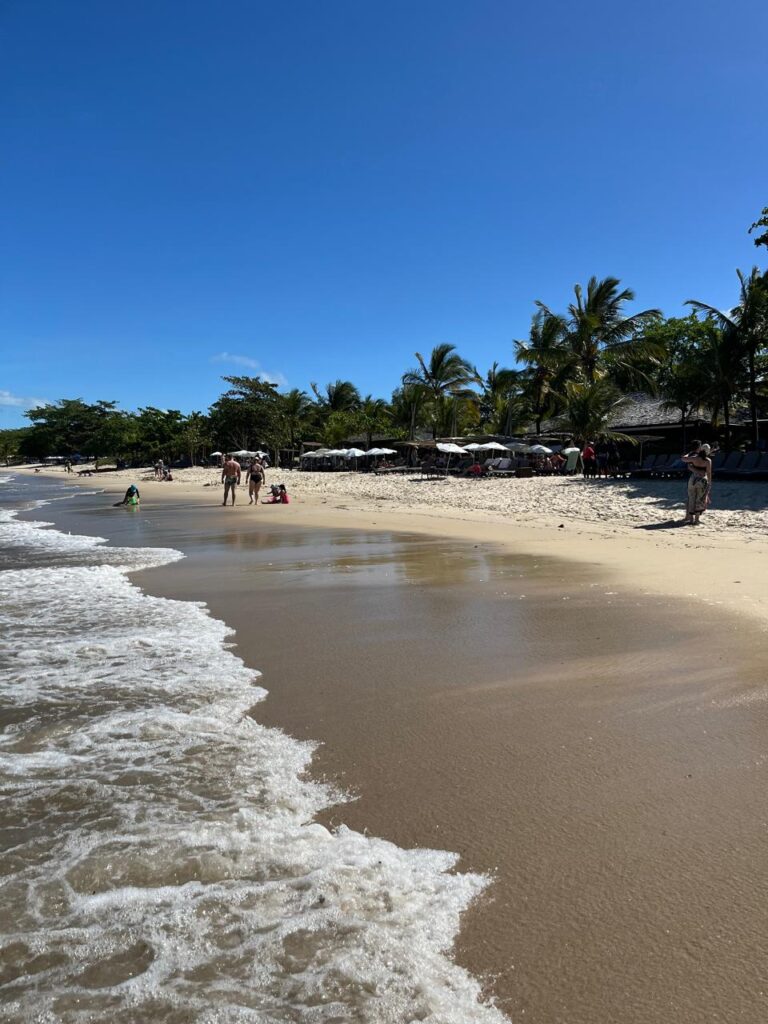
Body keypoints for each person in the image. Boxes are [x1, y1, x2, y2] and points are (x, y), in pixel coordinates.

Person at [681, 441, 713, 525]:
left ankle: (690, 519)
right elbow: (709, 473)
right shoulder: (708, 461)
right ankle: (696, 520)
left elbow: (683, 459)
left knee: (692, 498)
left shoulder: (694, 458)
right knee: (700, 499)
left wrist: (688, 454)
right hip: (702, 481)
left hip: (693, 479)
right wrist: (709, 483)